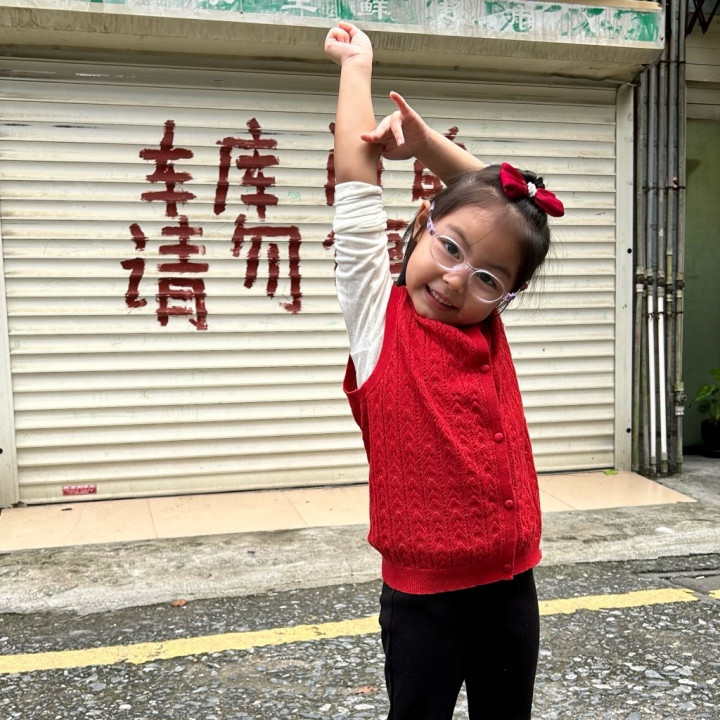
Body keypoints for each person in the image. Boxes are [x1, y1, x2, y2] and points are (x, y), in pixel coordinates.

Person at [324, 21, 564, 720]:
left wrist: (430, 145)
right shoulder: (380, 319)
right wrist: (356, 68)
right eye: (450, 248)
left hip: (512, 585)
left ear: (508, 296)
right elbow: (356, 192)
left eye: (488, 278)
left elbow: (506, 208)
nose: (459, 280)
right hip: (424, 599)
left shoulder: (484, 327)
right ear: (422, 223)